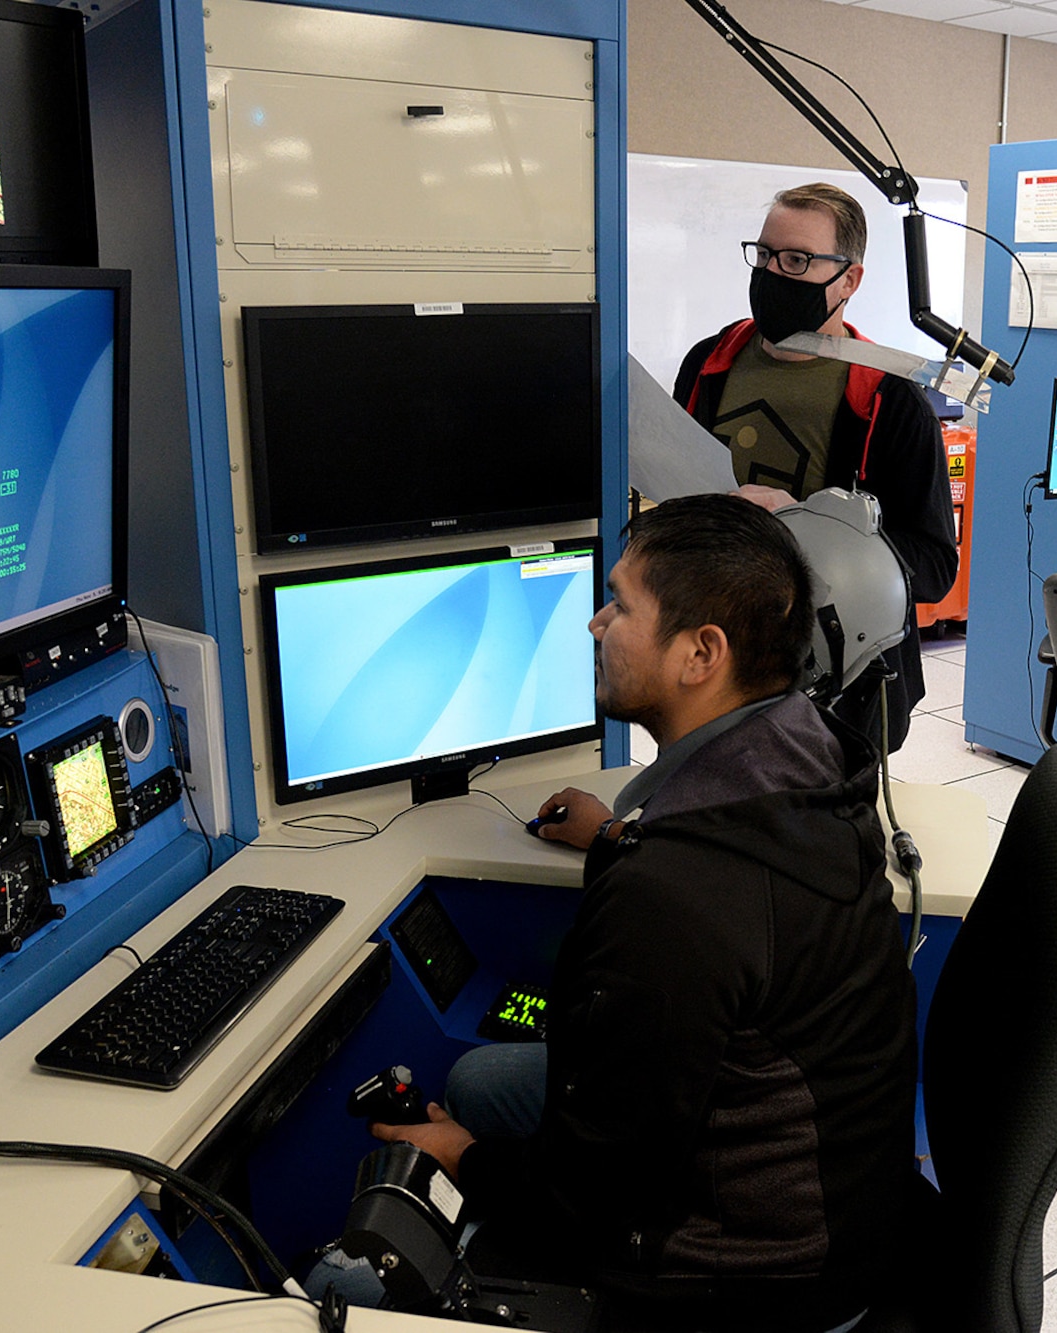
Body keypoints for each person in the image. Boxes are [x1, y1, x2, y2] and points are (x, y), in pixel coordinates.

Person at [373, 494, 917, 1333]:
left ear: (701, 653)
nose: (596, 623)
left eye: (621, 604)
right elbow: (739, 896)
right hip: (836, 1191)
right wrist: (621, 837)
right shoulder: (809, 751)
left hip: (754, 1278)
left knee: (432, 1178)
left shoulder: (672, 894)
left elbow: (592, 1197)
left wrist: (462, 1158)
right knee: (482, 1077)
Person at [672, 182, 956, 754]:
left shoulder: (888, 399)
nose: (775, 272)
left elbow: (931, 566)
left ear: (848, 279)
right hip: (708, 663)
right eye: (766, 254)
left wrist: (803, 526)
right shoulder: (709, 362)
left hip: (831, 690)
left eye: (798, 260)